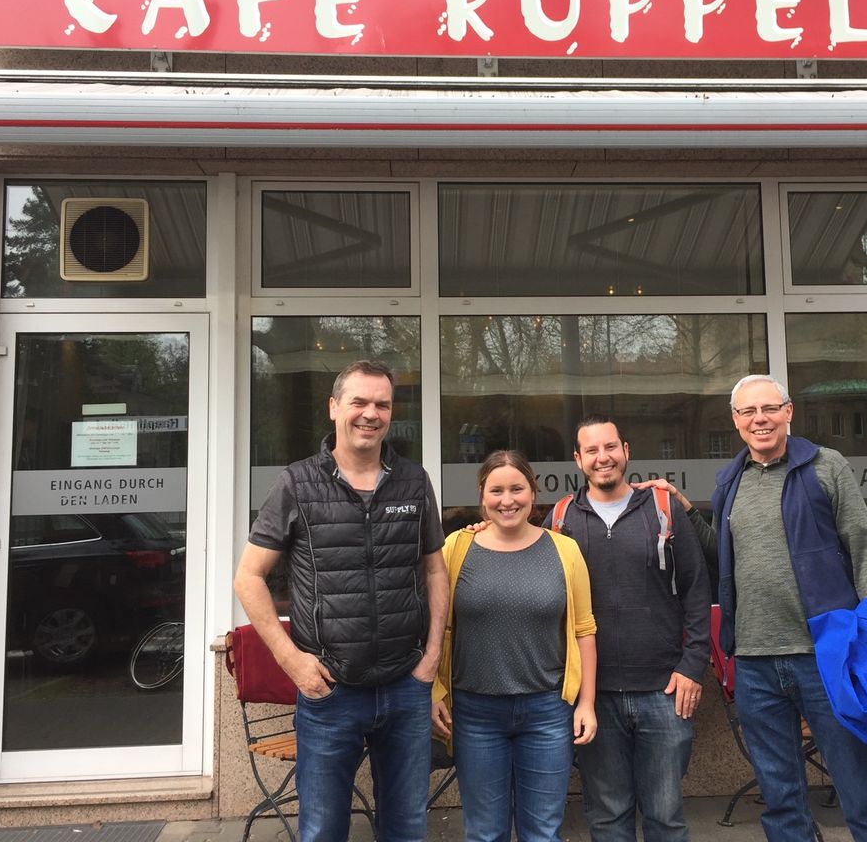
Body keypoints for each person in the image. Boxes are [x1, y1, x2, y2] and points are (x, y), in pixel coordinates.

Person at [233, 360, 449, 842]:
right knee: (322, 829)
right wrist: (292, 661)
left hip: (405, 687)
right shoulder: (296, 483)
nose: (371, 414)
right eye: (359, 402)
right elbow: (249, 577)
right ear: (334, 408)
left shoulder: (414, 482)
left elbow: (435, 569)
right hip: (330, 692)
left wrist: (431, 658)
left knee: (408, 827)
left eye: (382, 404)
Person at [708, 374, 867, 842]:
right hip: (754, 660)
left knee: (858, 784)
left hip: (825, 655)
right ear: (735, 421)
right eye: (748, 412)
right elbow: (725, 554)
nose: (760, 419)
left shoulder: (825, 465)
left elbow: (863, 547)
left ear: (788, 412)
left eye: (769, 409)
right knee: (779, 795)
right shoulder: (729, 480)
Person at [557, 416, 711, 842]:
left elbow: (698, 591)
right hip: (594, 694)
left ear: (625, 450)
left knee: (665, 816)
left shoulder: (662, 510)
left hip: (663, 691)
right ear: (578, 459)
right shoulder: (563, 518)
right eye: (591, 450)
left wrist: (693, 665)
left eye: (610, 447)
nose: (602, 457)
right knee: (607, 817)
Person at [431, 450, 597, 842]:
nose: (508, 500)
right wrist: (434, 690)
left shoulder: (564, 551)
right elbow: (431, 624)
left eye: (517, 488)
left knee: (542, 831)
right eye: (497, 490)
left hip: (547, 711)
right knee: (485, 832)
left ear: (533, 491)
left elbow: (584, 630)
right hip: (474, 712)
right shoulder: (456, 547)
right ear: (482, 495)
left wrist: (586, 703)